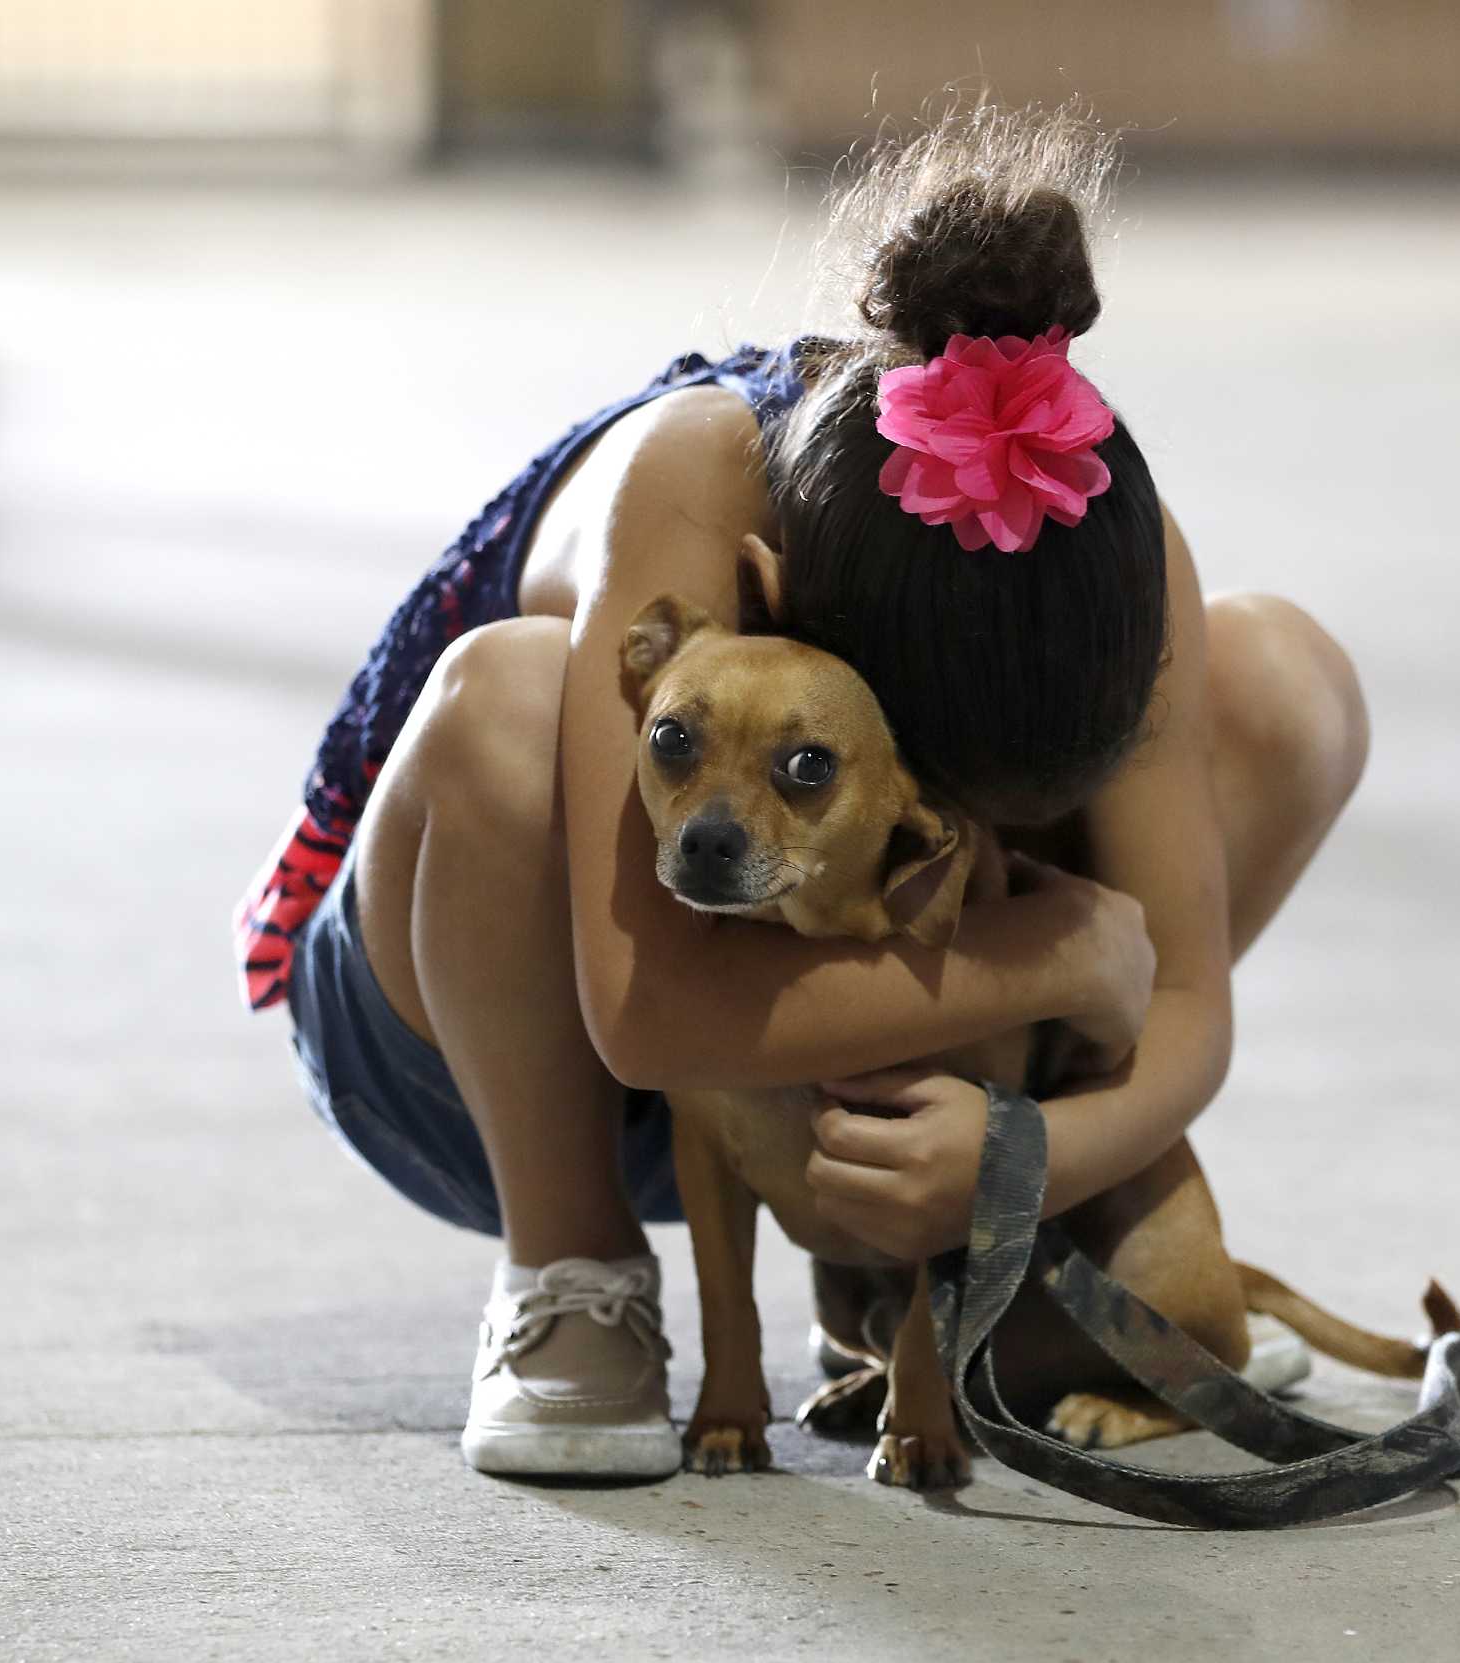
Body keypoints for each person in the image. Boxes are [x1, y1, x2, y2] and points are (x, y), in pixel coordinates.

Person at [235, 103, 1369, 1479]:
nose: (975, 841)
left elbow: (1187, 1007)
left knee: (1286, 682)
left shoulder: (1104, 541)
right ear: (786, 611)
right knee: (512, 697)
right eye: (940, 791)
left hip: (815, 1066)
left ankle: (911, 1262)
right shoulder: (701, 483)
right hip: (481, 1042)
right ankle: (571, 1275)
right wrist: (1053, 948)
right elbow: (648, 1016)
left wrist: (1023, 1156)